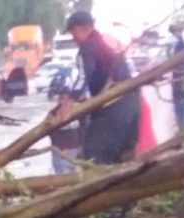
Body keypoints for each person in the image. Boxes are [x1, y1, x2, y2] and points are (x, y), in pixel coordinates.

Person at [65, 11, 141, 164]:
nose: (73, 38)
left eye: (73, 33)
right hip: (132, 104)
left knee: (94, 159)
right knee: (123, 159)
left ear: (80, 29)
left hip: (113, 107)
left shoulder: (87, 48)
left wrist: (69, 102)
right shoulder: (106, 44)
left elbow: (82, 77)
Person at [48, 89, 83, 174]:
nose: (65, 102)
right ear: (59, 100)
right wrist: (61, 149)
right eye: (62, 99)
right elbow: (53, 134)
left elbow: (81, 131)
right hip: (61, 152)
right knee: (63, 175)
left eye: (68, 99)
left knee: (75, 175)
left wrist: (80, 146)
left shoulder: (77, 112)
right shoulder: (53, 113)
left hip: (75, 150)